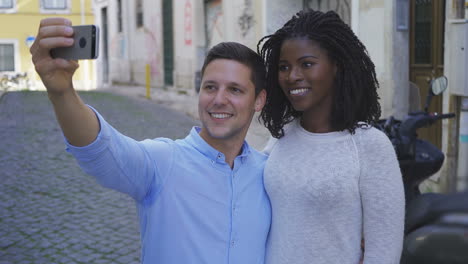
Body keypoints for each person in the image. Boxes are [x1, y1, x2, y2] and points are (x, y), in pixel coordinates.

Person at [30, 17, 270, 264]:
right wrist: (62, 92)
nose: (219, 99)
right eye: (210, 87)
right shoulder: (163, 161)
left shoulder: (268, 174)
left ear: (259, 100)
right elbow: (101, 150)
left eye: (235, 90)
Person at [257, 9, 405, 264]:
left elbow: (384, 252)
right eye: (284, 67)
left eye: (307, 64)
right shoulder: (282, 137)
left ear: (336, 66)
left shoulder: (369, 146)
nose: (292, 76)